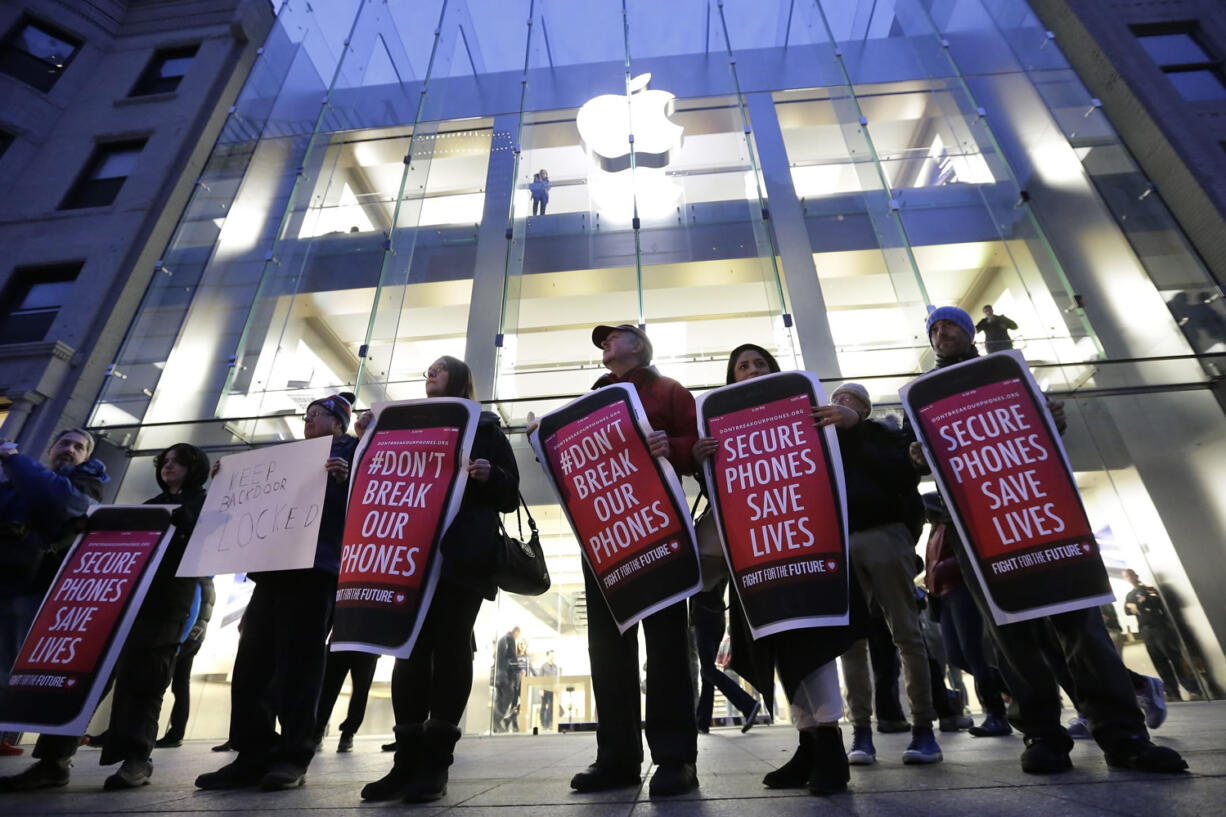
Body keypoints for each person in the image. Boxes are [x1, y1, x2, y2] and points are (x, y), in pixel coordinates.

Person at [908, 306, 1186, 775]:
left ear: (969, 331)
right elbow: (918, 461)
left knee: (1081, 626)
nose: (941, 332)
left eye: (950, 324)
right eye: (933, 329)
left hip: (1041, 517)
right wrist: (916, 455)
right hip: (979, 531)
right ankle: (1042, 734)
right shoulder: (922, 398)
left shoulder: (1009, 376)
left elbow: (1040, 435)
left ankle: (1123, 735)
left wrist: (1050, 420)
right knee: (1011, 635)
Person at [692, 343, 867, 796]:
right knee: (782, 650)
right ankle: (808, 743)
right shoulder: (721, 427)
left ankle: (830, 745)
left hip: (807, 549)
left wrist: (850, 421)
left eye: (760, 364)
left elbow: (850, 459)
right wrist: (699, 455)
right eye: (742, 366)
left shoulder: (807, 413)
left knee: (814, 642)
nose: (751, 371)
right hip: (757, 560)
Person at [1, 442, 208, 791]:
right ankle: (52, 760)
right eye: (165, 461)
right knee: (85, 679)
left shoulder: (203, 504)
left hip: (165, 604)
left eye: (178, 462)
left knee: (145, 681)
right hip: (121, 600)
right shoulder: (150, 507)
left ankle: (136, 759)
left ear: (196, 467)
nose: (168, 466)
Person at [361, 356, 519, 802]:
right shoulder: (402, 426)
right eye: (425, 369)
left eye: (438, 369)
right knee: (407, 650)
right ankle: (405, 762)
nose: (428, 374)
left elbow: (509, 494)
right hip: (410, 551)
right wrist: (366, 443)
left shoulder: (484, 427)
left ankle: (436, 764)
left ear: (461, 380)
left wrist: (490, 476)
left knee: (450, 645)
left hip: (461, 557)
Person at [195, 393, 357, 791]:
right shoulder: (286, 460)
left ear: (339, 424)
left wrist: (346, 479)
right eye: (308, 415)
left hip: (316, 570)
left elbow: (372, 505)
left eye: (318, 415)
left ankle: (292, 755)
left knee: (299, 666)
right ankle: (252, 753)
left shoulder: (354, 455)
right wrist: (227, 481)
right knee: (253, 664)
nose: (309, 421)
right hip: (274, 570)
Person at [568, 323, 699, 797]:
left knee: (666, 646)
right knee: (607, 650)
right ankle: (616, 759)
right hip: (604, 536)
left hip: (657, 529)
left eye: (614, 336)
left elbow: (699, 447)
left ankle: (675, 757)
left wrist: (675, 447)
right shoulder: (589, 403)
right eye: (601, 339)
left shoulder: (669, 391)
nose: (605, 342)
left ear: (639, 345)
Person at [0, 429, 108, 759]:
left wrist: (13, 459)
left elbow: (60, 501)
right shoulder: (20, 481)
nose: (70, 450)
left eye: (79, 447)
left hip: (32, 586)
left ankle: (5, 731)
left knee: (11, 665)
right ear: (50, 448)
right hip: (9, 579)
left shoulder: (83, 485)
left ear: (87, 458)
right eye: (64, 443)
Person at [922, 492, 1012, 738]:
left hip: (962, 590)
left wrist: (939, 570)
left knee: (974, 654)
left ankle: (996, 713)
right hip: (944, 595)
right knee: (957, 656)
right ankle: (1017, 688)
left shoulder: (954, 526)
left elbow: (966, 557)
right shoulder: (935, 531)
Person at [690, 578, 761, 733]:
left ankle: (748, 705)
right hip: (718, 618)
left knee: (708, 670)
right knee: (706, 672)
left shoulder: (703, 563)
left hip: (704, 618)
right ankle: (702, 722)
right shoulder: (719, 562)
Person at [155, 574, 216, 747]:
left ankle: (168, 733)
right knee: (181, 685)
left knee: (159, 682)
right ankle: (177, 733)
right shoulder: (209, 583)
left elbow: (192, 612)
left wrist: (178, 641)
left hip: (184, 638)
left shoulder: (197, 581)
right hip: (196, 638)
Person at [1123, 569, 1201, 701]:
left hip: (1161, 629)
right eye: (1126, 577)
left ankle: (1193, 689)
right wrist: (1139, 603)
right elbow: (1127, 610)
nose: (1129, 578)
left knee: (1175, 659)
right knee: (1160, 663)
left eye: (1130, 575)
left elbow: (1154, 603)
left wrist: (1138, 605)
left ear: (1136, 575)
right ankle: (1171, 692)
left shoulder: (1149, 589)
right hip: (1147, 632)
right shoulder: (1130, 595)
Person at [312, 646, 378, 753]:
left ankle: (324, 731)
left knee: (332, 689)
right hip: (362, 643)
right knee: (356, 690)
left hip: (357, 642)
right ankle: (343, 733)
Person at [493, 626, 522, 732]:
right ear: (516, 633)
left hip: (498, 674)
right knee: (509, 694)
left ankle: (495, 725)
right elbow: (512, 655)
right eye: (518, 635)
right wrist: (519, 669)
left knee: (500, 697)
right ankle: (497, 721)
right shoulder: (510, 639)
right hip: (503, 674)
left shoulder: (502, 639)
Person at [538, 651, 559, 730]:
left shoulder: (555, 667)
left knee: (551, 707)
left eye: (553, 655)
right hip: (545, 690)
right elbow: (540, 679)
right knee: (543, 707)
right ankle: (543, 724)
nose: (553, 656)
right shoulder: (543, 666)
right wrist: (541, 689)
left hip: (552, 690)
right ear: (547, 656)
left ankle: (550, 723)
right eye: (551, 655)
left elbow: (556, 679)